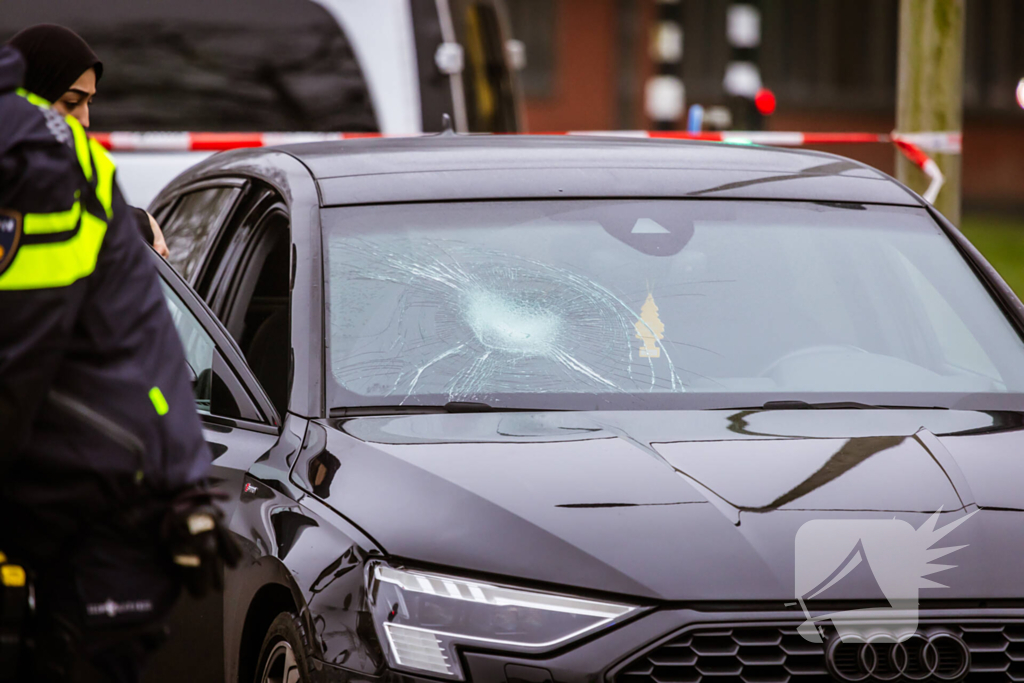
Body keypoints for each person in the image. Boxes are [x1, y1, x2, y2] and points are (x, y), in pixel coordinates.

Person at [0, 44, 238, 682]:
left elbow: (151, 354)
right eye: (69, 101)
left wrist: (186, 483)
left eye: (87, 105)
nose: (79, 122)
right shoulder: (52, 169)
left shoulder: (78, 178)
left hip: (82, 496)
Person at [6, 24, 170, 259]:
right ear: (27, 96)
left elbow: (89, 217)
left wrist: (140, 222)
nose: (85, 120)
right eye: (71, 103)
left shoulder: (86, 166)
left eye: (89, 103)